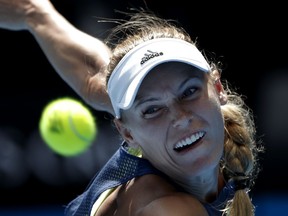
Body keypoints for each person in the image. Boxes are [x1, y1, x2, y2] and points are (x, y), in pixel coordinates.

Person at [0, 0, 263, 215]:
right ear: (126, 133)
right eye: (152, 110)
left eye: (189, 91)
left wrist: (33, 13)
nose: (180, 117)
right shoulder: (163, 207)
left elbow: (95, 76)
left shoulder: (129, 107)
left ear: (218, 88)